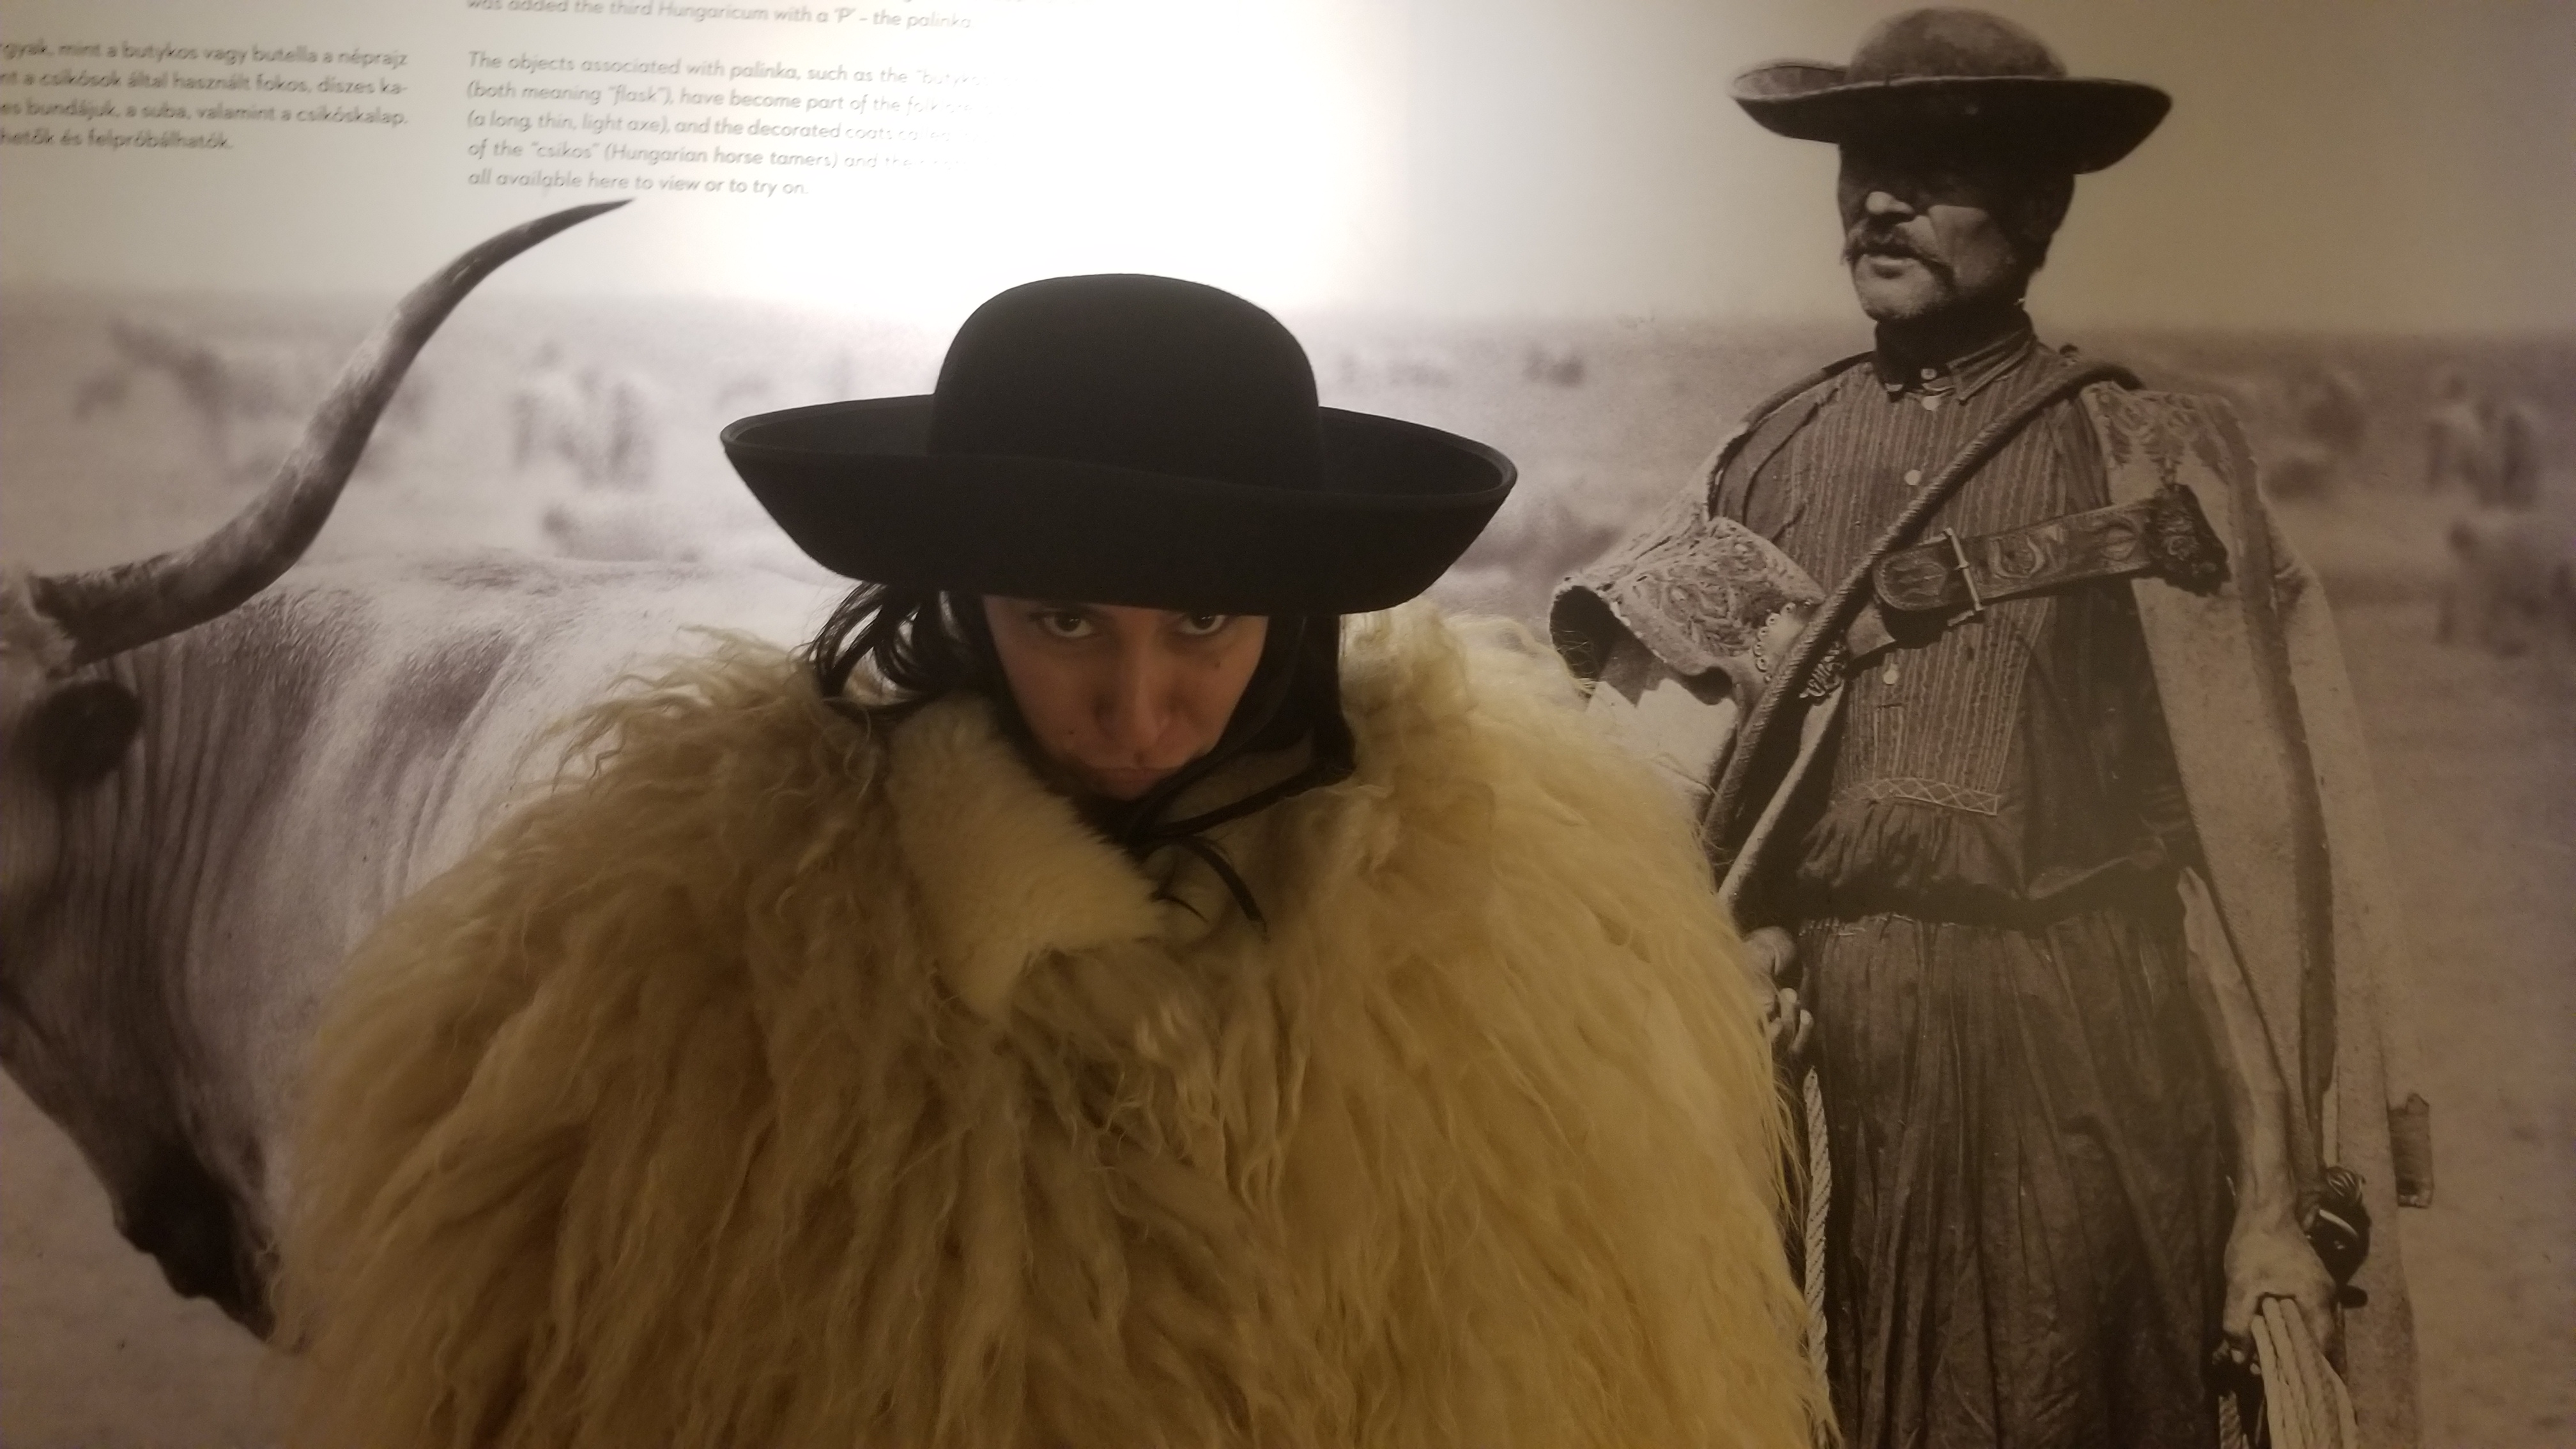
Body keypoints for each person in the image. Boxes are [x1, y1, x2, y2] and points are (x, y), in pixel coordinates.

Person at [278, 273, 1825, 1447]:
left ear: (1288, 618)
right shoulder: (686, 943)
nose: (1136, 709)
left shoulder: (1502, 945)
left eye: (1203, 628)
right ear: (963, 602)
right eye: (1064, 620)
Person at [1552, 12, 2431, 1449]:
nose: (1877, 198)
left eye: (1930, 170)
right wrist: (1736, 952)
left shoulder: (2143, 458)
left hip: (2082, 1080)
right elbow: (1666, 799)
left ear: (2038, 206)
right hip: (1820, 1091)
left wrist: (2272, 1200)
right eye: (1860, 164)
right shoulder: (1761, 457)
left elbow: (2231, 869)